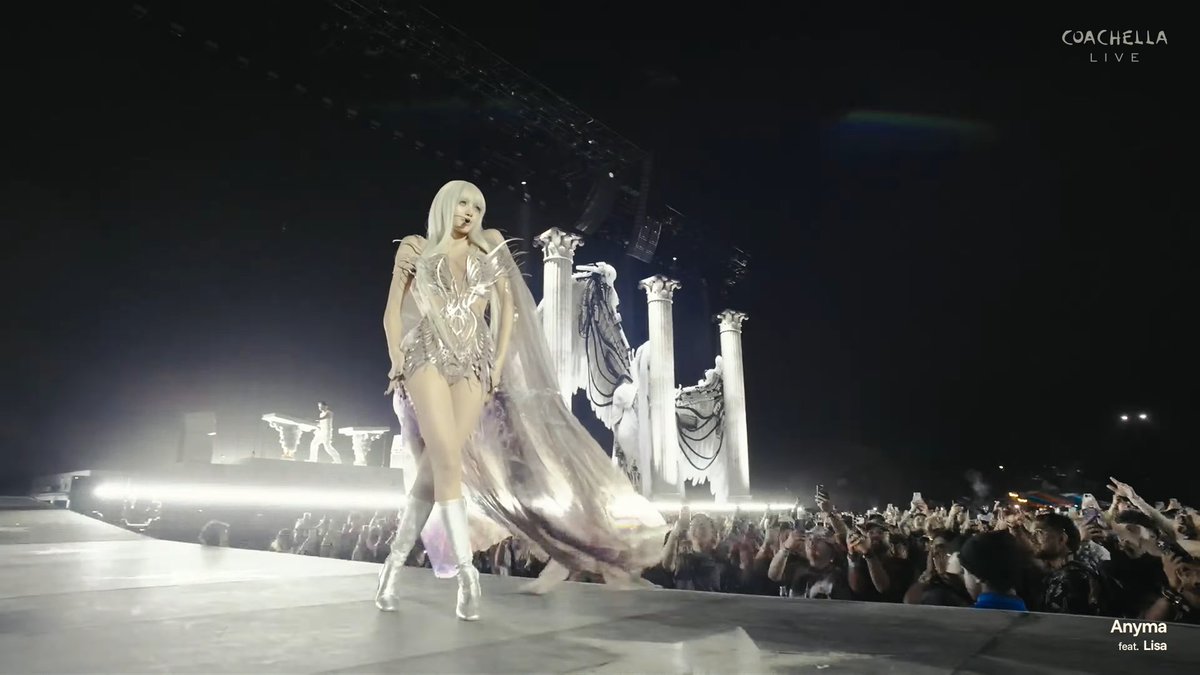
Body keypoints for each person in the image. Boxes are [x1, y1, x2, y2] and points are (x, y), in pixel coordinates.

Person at [374, 180, 667, 620]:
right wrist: (398, 359)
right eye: (463, 203)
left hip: (473, 363)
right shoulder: (415, 247)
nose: (470, 211)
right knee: (446, 457)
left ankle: (392, 568)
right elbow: (392, 310)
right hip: (425, 356)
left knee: (437, 467)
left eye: (478, 205)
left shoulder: (488, 245)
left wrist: (494, 365)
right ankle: (468, 575)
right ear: (444, 205)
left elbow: (508, 308)